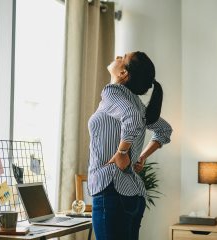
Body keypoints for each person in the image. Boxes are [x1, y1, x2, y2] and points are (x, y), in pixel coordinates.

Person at [87, 51, 173, 240]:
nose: (117, 57)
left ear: (123, 73)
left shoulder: (112, 92)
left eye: (122, 58)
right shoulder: (136, 104)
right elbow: (164, 130)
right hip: (132, 194)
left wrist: (123, 151)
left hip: (111, 190)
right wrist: (140, 157)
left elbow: (132, 119)